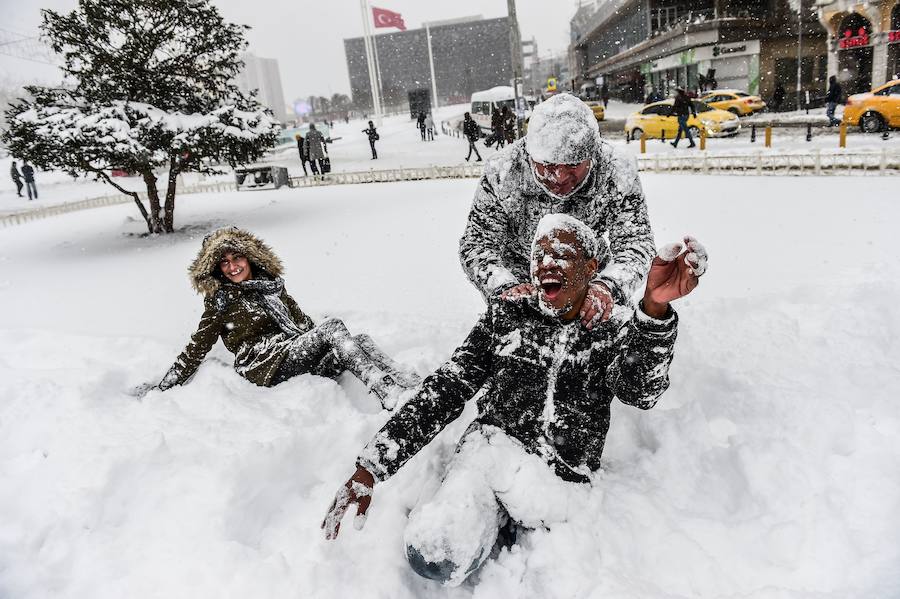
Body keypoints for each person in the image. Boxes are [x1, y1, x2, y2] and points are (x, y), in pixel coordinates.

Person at [322, 215, 708, 586]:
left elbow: (640, 392)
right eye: (539, 254)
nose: (546, 264)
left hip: (560, 483)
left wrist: (654, 309)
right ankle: (485, 517)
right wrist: (372, 466)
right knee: (433, 554)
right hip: (488, 457)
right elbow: (447, 387)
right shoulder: (507, 314)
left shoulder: (610, 326)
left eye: (562, 254)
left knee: (569, 580)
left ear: (591, 267)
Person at [146, 227, 419, 406]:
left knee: (359, 340)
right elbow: (197, 346)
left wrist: (320, 343)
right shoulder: (221, 300)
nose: (232, 267)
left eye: (237, 258)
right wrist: (163, 387)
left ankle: (405, 381)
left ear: (250, 258)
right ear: (216, 268)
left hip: (290, 351)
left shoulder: (271, 285)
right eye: (224, 262)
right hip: (263, 364)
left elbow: (300, 321)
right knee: (333, 328)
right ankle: (387, 393)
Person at [459, 92, 655, 330]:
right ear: (530, 156)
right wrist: (503, 287)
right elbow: (477, 244)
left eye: (573, 165)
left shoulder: (616, 171)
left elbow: (636, 242)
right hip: (521, 275)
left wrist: (608, 286)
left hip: (585, 275)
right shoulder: (503, 172)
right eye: (549, 165)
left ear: (592, 157)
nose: (560, 177)